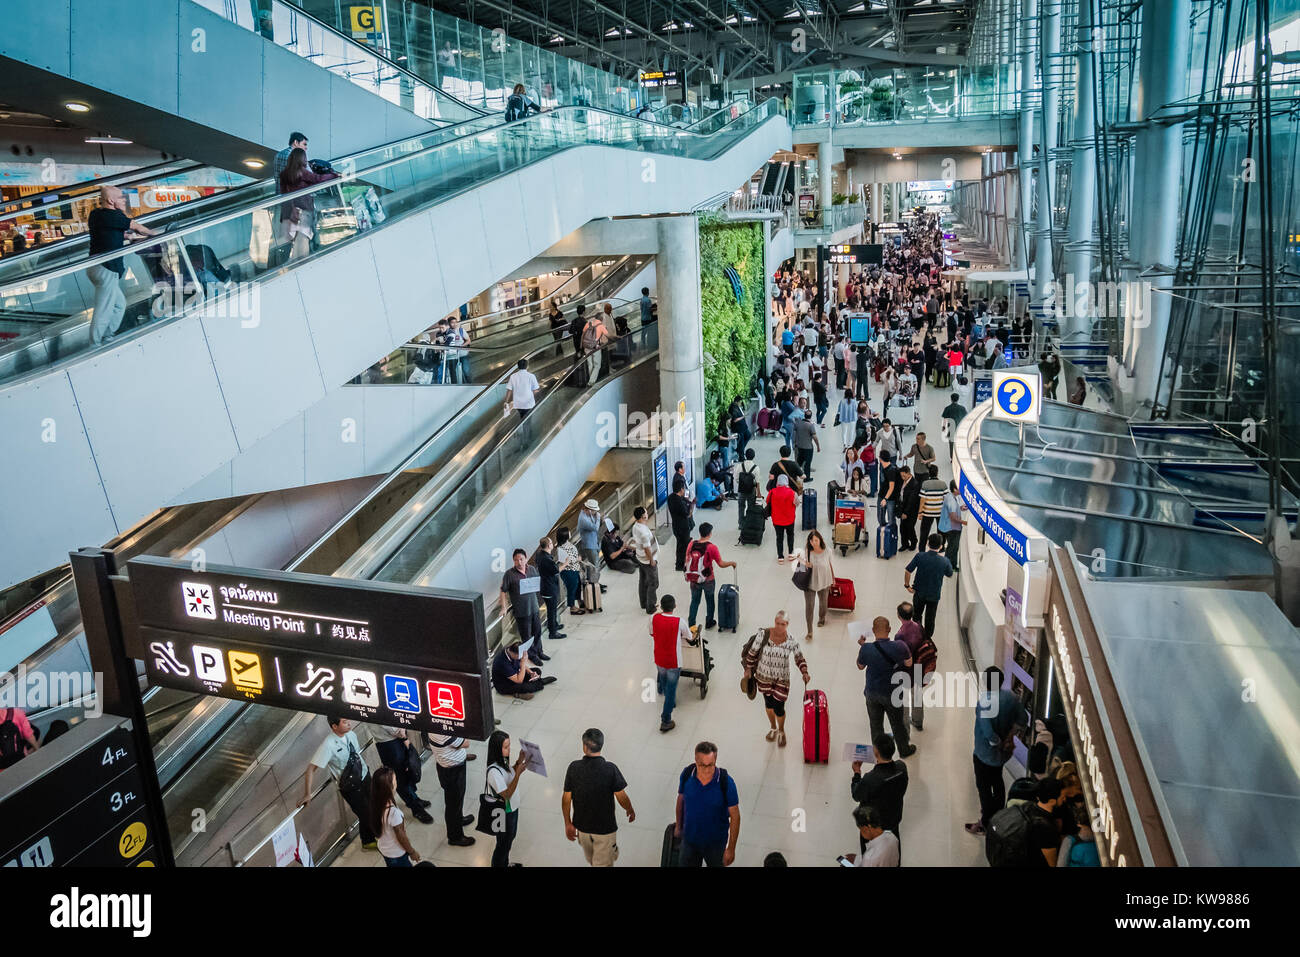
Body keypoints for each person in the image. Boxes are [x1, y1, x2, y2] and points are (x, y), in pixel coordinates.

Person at [87, 185, 159, 345]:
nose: (123, 200)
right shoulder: (112, 216)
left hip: (97, 267)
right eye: (120, 197)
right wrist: (156, 234)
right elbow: (137, 227)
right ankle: (95, 344)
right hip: (106, 268)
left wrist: (126, 236)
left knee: (119, 305)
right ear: (110, 200)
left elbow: (113, 233)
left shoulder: (96, 215)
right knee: (104, 310)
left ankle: (108, 335)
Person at [965, 666, 1030, 836]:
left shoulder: (985, 702)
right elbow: (1023, 719)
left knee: (984, 787)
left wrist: (998, 742)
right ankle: (999, 813)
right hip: (1003, 754)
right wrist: (1009, 737)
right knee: (998, 781)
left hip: (985, 753)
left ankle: (986, 822)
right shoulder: (1012, 698)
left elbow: (987, 733)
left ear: (986, 682)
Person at [300, 715, 376, 850]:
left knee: (372, 808)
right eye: (344, 722)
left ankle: (368, 839)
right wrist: (307, 793)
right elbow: (310, 769)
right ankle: (370, 840)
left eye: (348, 720)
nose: (349, 723)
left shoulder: (351, 734)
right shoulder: (328, 745)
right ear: (334, 726)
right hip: (351, 787)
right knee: (365, 813)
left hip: (365, 776)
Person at [562, 728, 635, 866]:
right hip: (603, 829)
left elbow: (566, 798)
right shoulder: (610, 769)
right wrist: (629, 809)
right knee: (596, 861)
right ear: (602, 745)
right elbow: (621, 796)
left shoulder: (574, 767)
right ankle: (611, 851)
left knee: (597, 862)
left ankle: (609, 852)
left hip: (583, 828)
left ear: (584, 747)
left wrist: (567, 823)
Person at [741, 610, 810, 747]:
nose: (779, 627)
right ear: (775, 622)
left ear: (787, 624)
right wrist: (748, 669)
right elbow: (752, 653)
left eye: (783, 624)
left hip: (781, 679)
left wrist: (804, 672)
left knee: (779, 707)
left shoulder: (791, 640)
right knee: (768, 704)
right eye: (777, 623)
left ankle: (781, 730)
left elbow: (799, 657)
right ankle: (773, 727)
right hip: (764, 677)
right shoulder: (763, 635)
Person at [856, 616, 915, 757]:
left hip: (872, 693)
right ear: (889, 630)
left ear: (872, 631)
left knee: (876, 726)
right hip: (892, 694)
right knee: (897, 724)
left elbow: (860, 666)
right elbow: (909, 664)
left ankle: (879, 754)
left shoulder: (866, 648)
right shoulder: (900, 646)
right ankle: (904, 750)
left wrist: (862, 646)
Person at [675, 741, 741, 867]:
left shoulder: (726, 782)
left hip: (715, 844)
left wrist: (731, 849)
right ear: (695, 760)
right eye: (702, 765)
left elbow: (735, 816)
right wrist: (678, 826)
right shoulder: (687, 774)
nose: (706, 770)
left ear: (715, 761)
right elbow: (680, 801)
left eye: (710, 765)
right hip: (689, 840)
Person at [989, 778, 1067, 868]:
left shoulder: (1027, 806)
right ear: (1052, 801)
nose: (1064, 799)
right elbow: (1052, 863)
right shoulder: (1047, 827)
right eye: (1062, 797)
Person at [850, 733, 909, 849]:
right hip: (893, 819)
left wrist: (857, 773)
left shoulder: (870, 779)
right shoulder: (902, 767)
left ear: (876, 752)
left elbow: (856, 795)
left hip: (874, 826)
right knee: (894, 848)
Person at [278, 147, 338, 260]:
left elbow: (283, 194)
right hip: (304, 209)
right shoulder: (301, 172)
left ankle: (291, 264)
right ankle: (301, 264)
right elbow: (318, 179)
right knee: (303, 238)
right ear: (302, 159)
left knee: (292, 240)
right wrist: (334, 175)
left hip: (289, 212)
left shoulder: (284, 174)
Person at [482, 730, 528, 867]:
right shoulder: (493, 772)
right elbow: (506, 794)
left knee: (509, 839)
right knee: (503, 843)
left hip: (511, 808)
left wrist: (519, 762)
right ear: (497, 749)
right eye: (506, 747)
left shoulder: (502, 762)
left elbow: (508, 774)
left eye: (509, 746)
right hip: (503, 813)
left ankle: (504, 863)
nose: (509, 750)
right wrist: (518, 774)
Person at [370, 724, 434, 824]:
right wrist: (401, 731)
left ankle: (415, 799)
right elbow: (387, 724)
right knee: (400, 777)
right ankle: (416, 809)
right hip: (388, 742)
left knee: (408, 770)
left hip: (398, 736)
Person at [651, 594, 693, 732]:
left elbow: (651, 632)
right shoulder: (679, 621)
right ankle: (666, 719)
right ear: (675, 606)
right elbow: (689, 636)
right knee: (671, 691)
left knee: (662, 677)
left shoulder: (654, 618)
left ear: (661, 606)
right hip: (673, 661)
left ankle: (663, 691)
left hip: (659, 657)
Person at [429, 730, 477, 847]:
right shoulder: (442, 733)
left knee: (457, 799)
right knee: (453, 804)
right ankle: (455, 837)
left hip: (449, 767)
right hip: (452, 770)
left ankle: (459, 819)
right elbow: (466, 743)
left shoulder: (435, 727)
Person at [684, 522, 736, 629]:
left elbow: (687, 560)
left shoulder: (691, 544)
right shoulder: (711, 547)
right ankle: (709, 621)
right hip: (708, 579)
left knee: (694, 601)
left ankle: (691, 624)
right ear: (710, 534)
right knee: (710, 601)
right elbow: (721, 564)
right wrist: (731, 563)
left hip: (694, 578)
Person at [500, 547, 547, 662]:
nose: (519, 562)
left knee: (537, 631)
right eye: (516, 560)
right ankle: (532, 655)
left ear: (526, 558)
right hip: (521, 611)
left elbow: (537, 582)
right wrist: (504, 606)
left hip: (534, 607)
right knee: (526, 636)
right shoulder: (509, 574)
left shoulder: (531, 569)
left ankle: (539, 651)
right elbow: (503, 590)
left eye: (521, 559)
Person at [904, 533, 954, 639]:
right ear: (941, 546)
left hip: (918, 592)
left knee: (917, 615)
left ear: (927, 543)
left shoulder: (920, 556)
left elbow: (908, 570)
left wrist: (907, 586)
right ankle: (927, 639)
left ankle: (916, 635)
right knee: (930, 619)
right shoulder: (944, 561)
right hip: (934, 595)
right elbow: (950, 574)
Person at [370, 767, 422, 866]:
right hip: (396, 854)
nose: (396, 782)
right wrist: (412, 852)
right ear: (390, 787)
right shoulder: (393, 813)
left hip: (385, 849)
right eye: (395, 780)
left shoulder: (376, 804)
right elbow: (401, 836)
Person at [795, 529, 835, 641]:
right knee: (809, 607)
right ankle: (809, 631)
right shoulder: (807, 551)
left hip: (824, 581)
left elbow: (830, 565)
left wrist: (833, 578)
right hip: (810, 583)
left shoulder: (828, 551)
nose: (814, 543)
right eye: (811, 541)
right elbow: (801, 567)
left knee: (823, 604)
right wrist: (804, 563)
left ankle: (822, 619)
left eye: (816, 540)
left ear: (820, 540)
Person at [491, 640, 556, 699]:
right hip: (505, 685)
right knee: (526, 687)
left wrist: (531, 673)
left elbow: (520, 664)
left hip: (515, 674)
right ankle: (539, 683)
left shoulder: (511, 652)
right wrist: (523, 663)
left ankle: (534, 683)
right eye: (520, 656)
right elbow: (519, 680)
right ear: (514, 654)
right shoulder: (503, 662)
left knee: (537, 671)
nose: (521, 657)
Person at [534, 536, 568, 646]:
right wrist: (565, 564)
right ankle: (553, 632)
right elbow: (556, 570)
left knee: (552, 608)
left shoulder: (540, 554)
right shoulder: (546, 559)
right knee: (552, 609)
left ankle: (554, 624)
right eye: (551, 543)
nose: (553, 544)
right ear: (548, 545)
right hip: (549, 588)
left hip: (546, 586)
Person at [630, 505, 660, 614]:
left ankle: (643, 603)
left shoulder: (636, 526)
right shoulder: (643, 532)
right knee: (653, 583)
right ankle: (650, 606)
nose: (647, 514)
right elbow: (647, 548)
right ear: (643, 516)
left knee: (643, 581)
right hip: (647, 560)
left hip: (640, 557)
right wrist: (651, 560)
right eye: (646, 513)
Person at [766, 474, 798, 563]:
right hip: (789, 519)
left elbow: (767, 501)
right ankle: (791, 554)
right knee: (790, 536)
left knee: (779, 538)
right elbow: (797, 503)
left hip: (777, 520)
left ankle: (780, 557)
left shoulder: (772, 492)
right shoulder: (792, 492)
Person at [555, 526, 586, 615]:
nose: (570, 532)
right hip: (569, 572)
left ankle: (579, 600)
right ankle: (572, 607)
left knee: (577, 586)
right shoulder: (561, 548)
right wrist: (578, 559)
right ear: (564, 535)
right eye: (568, 532)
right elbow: (568, 560)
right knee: (571, 588)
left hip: (575, 570)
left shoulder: (567, 543)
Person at [667, 478, 695, 571]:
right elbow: (688, 514)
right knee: (684, 547)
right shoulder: (679, 502)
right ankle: (681, 565)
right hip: (683, 527)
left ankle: (679, 563)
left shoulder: (671, 497)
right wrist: (692, 505)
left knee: (680, 545)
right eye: (683, 489)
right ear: (681, 489)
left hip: (676, 526)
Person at [938, 479, 965, 570]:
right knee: (952, 548)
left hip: (951, 526)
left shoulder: (952, 496)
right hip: (951, 528)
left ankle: (952, 565)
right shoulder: (951, 500)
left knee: (954, 547)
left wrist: (962, 507)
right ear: (954, 489)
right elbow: (953, 518)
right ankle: (948, 566)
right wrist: (965, 523)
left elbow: (956, 508)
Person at [577, 500, 604, 588]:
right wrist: (599, 517)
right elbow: (595, 528)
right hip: (589, 545)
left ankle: (596, 583)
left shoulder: (589, 514)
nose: (596, 513)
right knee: (594, 566)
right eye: (594, 511)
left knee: (596, 565)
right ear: (588, 510)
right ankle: (595, 586)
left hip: (594, 542)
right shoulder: (583, 519)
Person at [918, 465, 946, 547]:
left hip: (927, 512)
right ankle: (941, 546)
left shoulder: (925, 484)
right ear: (937, 473)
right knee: (941, 531)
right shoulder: (943, 484)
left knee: (924, 532)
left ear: (929, 473)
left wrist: (920, 512)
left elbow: (922, 500)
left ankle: (922, 548)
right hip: (939, 512)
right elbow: (946, 499)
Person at [505, 357, 540, 421]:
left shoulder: (513, 376)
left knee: (523, 418)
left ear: (518, 367)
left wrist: (506, 402)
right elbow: (536, 390)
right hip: (528, 403)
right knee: (527, 420)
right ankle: (527, 430)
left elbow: (509, 390)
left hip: (518, 404)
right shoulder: (531, 376)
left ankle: (525, 428)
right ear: (527, 366)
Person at [877, 449, 900, 535]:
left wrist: (885, 499)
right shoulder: (884, 468)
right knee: (880, 518)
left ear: (881, 459)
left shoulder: (891, 470)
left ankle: (892, 536)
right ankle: (884, 535)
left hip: (890, 499)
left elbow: (891, 487)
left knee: (891, 519)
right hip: (881, 495)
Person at [896, 466, 920, 551]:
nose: (903, 478)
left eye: (904, 476)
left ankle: (914, 542)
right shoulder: (902, 482)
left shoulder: (914, 484)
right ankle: (904, 544)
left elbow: (912, 500)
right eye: (901, 476)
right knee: (902, 528)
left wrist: (906, 512)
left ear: (909, 473)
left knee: (909, 527)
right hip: (902, 507)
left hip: (911, 510)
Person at [792, 412, 820, 480]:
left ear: (804, 416)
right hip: (808, 448)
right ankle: (807, 478)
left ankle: (794, 476)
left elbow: (794, 434)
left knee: (799, 462)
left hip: (799, 447)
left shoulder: (798, 423)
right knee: (807, 464)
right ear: (811, 417)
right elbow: (814, 437)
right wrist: (818, 446)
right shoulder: (810, 425)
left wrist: (794, 443)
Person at [735, 447, 759, 524]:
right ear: (754, 456)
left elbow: (736, 478)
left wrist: (742, 482)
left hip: (741, 490)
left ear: (745, 455)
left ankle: (741, 524)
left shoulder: (740, 466)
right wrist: (758, 492)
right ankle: (749, 523)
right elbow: (757, 482)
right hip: (751, 490)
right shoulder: (756, 468)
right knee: (751, 507)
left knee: (741, 507)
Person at [729, 396, 751, 462]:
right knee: (741, 442)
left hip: (743, 427)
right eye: (740, 402)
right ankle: (741, 456)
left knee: (748, 435)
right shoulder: (733, 408)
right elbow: (735, 420)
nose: (741, 403)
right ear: (737, 401)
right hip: (738, 428)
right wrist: (743, 416)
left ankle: (739, 450)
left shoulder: (738, 407)